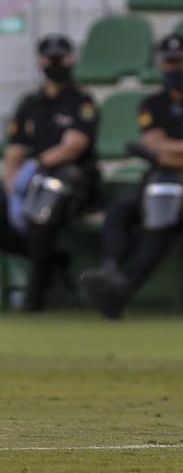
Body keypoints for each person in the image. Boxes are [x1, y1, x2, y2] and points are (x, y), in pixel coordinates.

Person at [79, 34, 183, 318]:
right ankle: (111, 270)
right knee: (120, 209)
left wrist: (166, 151)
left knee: (161, 214)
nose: (173, 67)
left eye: (179, 61)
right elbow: (154, 144)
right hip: (158, 180)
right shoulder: (152, 103)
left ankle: (123, 286)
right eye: (168, 62)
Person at [0, 34, 99, 310]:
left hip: (73, 178)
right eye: (51, 59)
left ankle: (35, 296)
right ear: (41, 62)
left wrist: (36, 165)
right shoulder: (29, 104)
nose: (56, 64)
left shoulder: (81, 101)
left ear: (70, 60)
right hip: (33, 180)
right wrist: (13, 191)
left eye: (61, 58)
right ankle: (54, 263)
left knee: (41, 213)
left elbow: (73, 146)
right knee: (12, 213)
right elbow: (14, 152)